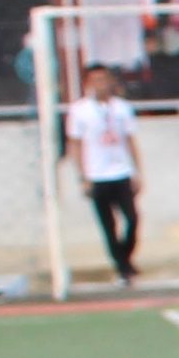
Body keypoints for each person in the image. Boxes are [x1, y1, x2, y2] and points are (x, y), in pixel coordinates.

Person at [65, 62, 143, 285]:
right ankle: (123, 268)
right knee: (108, 225)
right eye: (95, 80)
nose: (101, 84)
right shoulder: (80, 110)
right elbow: (75, 144)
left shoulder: (121, 108)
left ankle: (125, 258)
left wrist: (137, 171)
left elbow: (130, 140)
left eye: (104, 79)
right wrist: (83, 176)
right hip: (97, 175)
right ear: (88, 83)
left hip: (121, 171)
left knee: (132, 218)